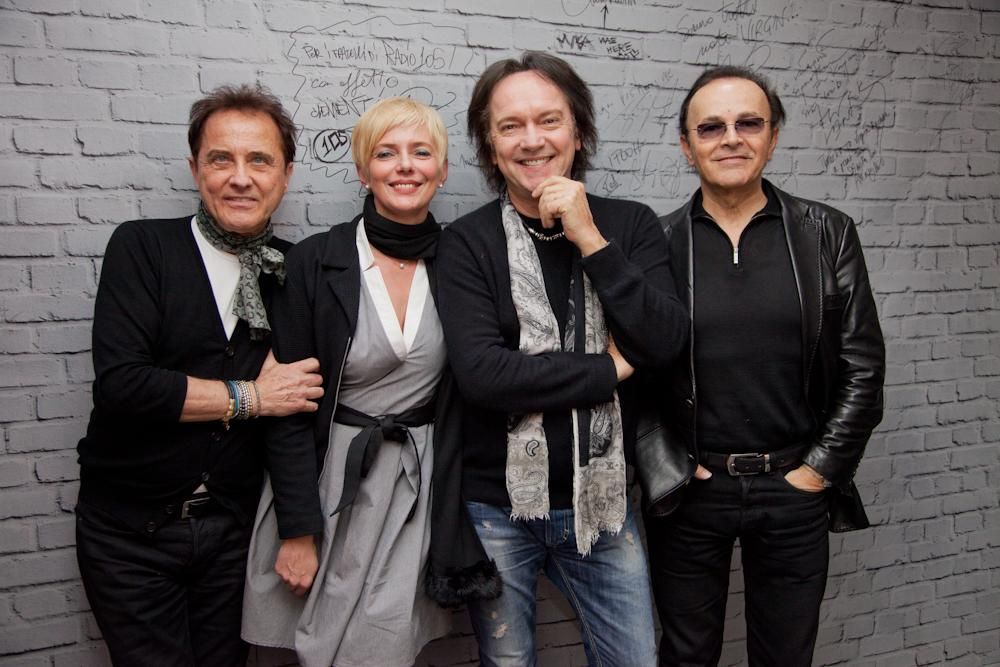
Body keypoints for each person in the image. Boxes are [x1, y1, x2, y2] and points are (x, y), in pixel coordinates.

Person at [436, 51, 688, 666]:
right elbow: (486, 376)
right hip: (497, 509)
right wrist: (610, 368)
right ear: (490, 145)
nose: (532, 140)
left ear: (578, 132)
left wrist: (590, 238)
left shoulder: (628, 225)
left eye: (549, 120)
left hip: (605, 504)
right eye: (510, 126)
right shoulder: (466, 242)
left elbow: (665, 341)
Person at [75, 83, 324, 666]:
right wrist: (252, 397)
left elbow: (295, 412)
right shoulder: (143, 247)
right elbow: (124, 387)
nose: (240, 178)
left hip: (234, 535)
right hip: (129, 536)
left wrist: (299, 529)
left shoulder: (292, 270)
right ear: (195, 169)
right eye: (220, 159)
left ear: (285, 175)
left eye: (259, 160)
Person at [241, 97, 494, 667]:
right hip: (327, 483)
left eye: (421, 152)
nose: (405, 166)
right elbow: (287, 405)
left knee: (382, 649)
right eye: (386, 153)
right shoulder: (314, 262)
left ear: (442, 170)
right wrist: (297, 529)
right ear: (363, 170)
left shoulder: (461, 263)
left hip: (414, 491)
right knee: (310, 644)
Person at [646, 65, 885, 667]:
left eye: (748, 123)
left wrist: (817, 473)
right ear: (686, 146)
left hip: (793, 487)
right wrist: (670, 467)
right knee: (686, 655)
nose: (731, 138)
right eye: (711, 127)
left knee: (785, 657)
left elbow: (862, 368)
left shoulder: (826, 233)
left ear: (773, 137)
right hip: (692, 492)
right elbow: (636, 372)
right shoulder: (656, 244)